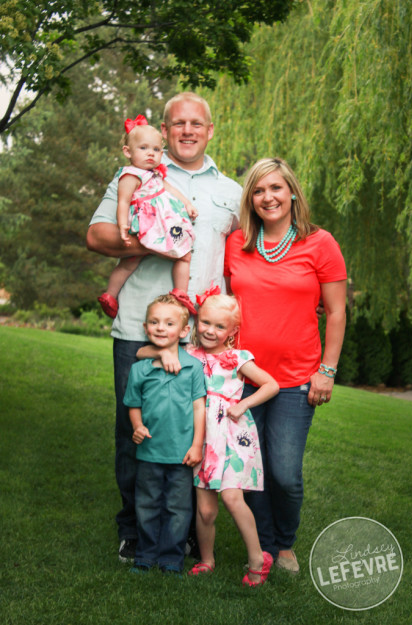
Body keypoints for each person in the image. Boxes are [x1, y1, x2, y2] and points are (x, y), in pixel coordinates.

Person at [86, 92, 242, 562]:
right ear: (166, 129)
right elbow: (97, 235)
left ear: (210, 130)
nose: (188, 131)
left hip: (201, 336)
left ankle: (185, 528)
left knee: (193, 433)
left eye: (197, 123)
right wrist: (161, 240)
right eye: (178, 124)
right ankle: (133, 529)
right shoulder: (139, 172)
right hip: (141, 327)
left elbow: (240, 264)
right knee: (135, 430)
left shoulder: (232, 192)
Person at [224, 157, 347, 575]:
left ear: (292, 192)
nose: (267, 197)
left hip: (297, 380)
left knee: (284, 473)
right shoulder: (236, 242)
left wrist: (326, 370)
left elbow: (336, 311)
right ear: (250, 199)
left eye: (275, 188)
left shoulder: (320, 243)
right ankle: (267, 546)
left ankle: (286, 540)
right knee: (251, 471)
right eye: (258, 191)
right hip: (245, 379)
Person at [137, 288, 280, 586]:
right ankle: (206, 560)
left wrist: (243, 404)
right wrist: (164, 351)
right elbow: (141, 352)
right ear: (196, 321)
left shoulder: (236, 358)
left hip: (230, 434)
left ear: (232, 331)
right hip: (201, 435)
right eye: (204, 323)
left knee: (231, 497)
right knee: (204, 509)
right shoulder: (188, 352)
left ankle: (258, 558)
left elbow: (271, 385)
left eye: (219, 326)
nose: (210, 331)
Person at [123, 293, 206, 574]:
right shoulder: (139, 369)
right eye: (154, 322)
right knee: (146, 504)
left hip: (182, 453)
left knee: (178, 508)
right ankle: (145, 554)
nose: (160, 328)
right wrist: (137, 426)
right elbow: (133, 404)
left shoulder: (193, 367)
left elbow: (199, 409)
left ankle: (171, 557)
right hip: (149, 451)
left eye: (169, 323)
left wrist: (197, 445)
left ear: (184, 331)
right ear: (145, 328)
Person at [97, 115, 198, 319]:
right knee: (182, 253)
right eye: (143, 148)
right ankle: (179, 291)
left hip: (157, 224)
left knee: (133, 261)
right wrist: (122, 226)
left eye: (156, 149)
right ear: (128, 151)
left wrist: (187, 203)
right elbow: (124, 202)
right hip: (151, 224)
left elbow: (169, 189)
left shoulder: (156, 174)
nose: (150, 154)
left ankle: (112, 295)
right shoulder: (130, 175)